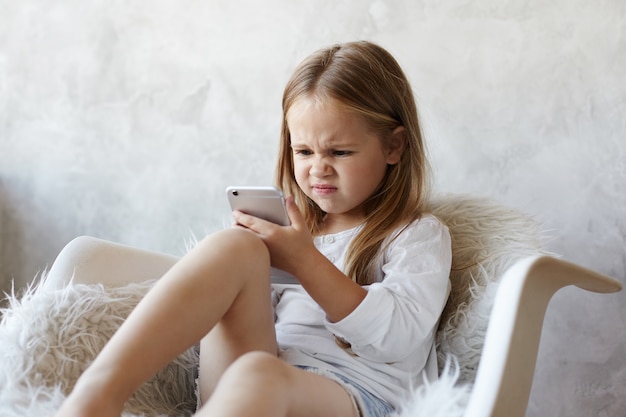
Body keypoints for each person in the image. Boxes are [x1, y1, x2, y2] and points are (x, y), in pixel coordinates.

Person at [56, 40, 452, 417]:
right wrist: (249, 267)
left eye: (340, 152)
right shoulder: (294, 227)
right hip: (253, 391)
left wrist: (305, 261)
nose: (318, 167)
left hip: (358, 397)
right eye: (304, 151)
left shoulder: (415, 235)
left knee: (259, 374)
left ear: (394, 147)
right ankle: (97, 394)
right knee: (237, 247)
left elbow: (398, 337)